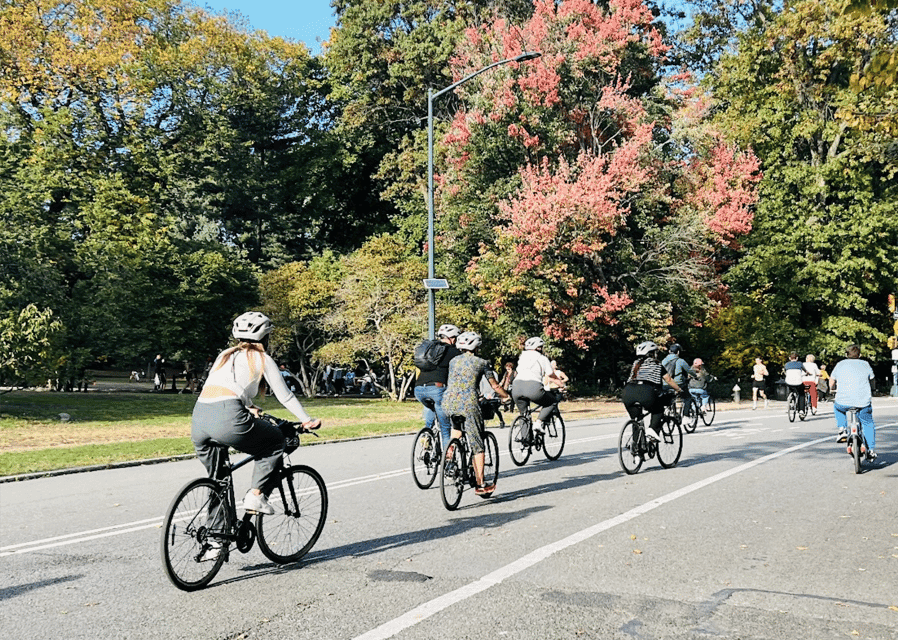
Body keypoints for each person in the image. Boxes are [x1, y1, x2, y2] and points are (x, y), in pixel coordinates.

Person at [191, 311, 321, 525]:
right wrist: (306, 419)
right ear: (265, 337)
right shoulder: (262, 358)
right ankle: (256, 495)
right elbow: (285, 396)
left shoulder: (224, 355)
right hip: (229, 417)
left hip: (200, 418)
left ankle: (216, 538)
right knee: (275, 440)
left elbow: (221, 387)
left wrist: (248, 406)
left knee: (219, 479)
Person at [442, 332, 511, 494]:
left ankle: (450, 453)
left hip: (448, 402)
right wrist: (506, 396)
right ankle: (480, 484)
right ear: (476, 346)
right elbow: (494, 385)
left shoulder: (453, 361)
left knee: (456, 427)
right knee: (477, 444)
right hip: (468, 404)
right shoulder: (482, 362)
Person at [621, 341, 685, 441]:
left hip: (628, 392)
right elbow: (668, 379)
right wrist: (679, 389)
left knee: (636, 420)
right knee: (658, 410)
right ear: (652, 353)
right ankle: (652, 430)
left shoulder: (635, 364)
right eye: (655, 352)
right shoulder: (657, 364)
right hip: (645, 392)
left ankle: (637, 451)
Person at [413, 324, 462, 449]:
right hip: (437, 388)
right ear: (452, 338)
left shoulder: (430, 349)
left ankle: (426, 433)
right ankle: (448, 461)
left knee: (431, 406)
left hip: (418, 389)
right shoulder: (454, 352)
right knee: (445, 429)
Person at [830, 344, 877, 459]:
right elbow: (872, 380)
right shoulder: (865, 364)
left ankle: (842, 429)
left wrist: (831, 389)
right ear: (859, 355)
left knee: (837, 407)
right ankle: (870, 450)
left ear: (846, 355)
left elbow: (831, 381)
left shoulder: (840, 364)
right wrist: (874, 389)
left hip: (843, 401)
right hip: (863, 402)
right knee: (867, 422)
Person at [511, 337, 559, 442]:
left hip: (516, 386)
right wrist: (561, 384)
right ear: (539, 348)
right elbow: (551, 374)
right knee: (552, 402)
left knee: (523, 413)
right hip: (533, 387)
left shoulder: (522, 357)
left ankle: (526, 440)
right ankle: (538, 423)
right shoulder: (542, 358)